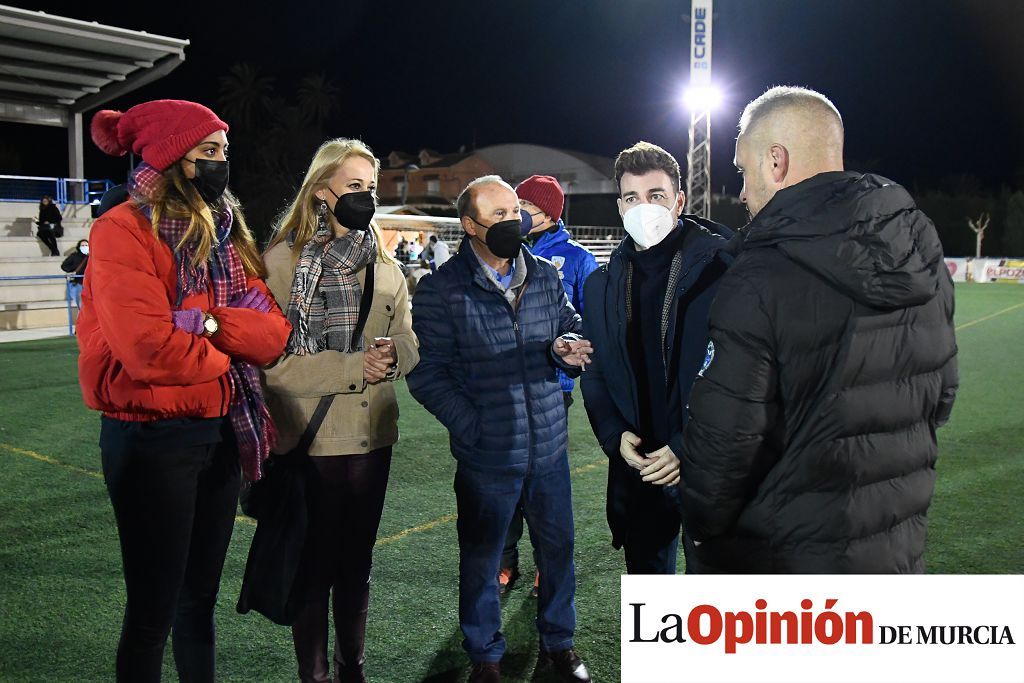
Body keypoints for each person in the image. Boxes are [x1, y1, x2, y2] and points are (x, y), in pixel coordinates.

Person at [679, 86, 958, 573]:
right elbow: (943, 395)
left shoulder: (761, 272)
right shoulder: (921, 249)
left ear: (776, 162)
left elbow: (724, 447)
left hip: (785, 566)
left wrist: (700, 526)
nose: (742, 191)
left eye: (743, 172)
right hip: (893, 549)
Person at [77, 99, 291, 682]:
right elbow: (148, 351)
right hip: (151, 438)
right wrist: (229, 338)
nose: (223, 163)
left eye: (225, 152)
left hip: (220, 431)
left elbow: (272, 333)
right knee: (152, 611)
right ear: (173, 159)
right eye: (209, 152)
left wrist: (205, 321)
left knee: (198, 602)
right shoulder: (121, 229)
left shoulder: (226, 230)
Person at [406, 175, 593, 683]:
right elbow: (427, 374)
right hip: (488, 456)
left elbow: (568, 325)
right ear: (470, 226)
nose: (514, 222)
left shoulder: (546, 276)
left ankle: (559, 642)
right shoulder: (442, 290)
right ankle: (485, 655)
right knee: (483, 558)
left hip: (549, 447)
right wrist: (474, 427)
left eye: (517, 211)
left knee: (558, 551)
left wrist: (568, 349)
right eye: (500, 215)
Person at [261, 138, 419, 683]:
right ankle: (316, 677)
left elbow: (409, 340)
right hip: (310, 439)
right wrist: (355, 366)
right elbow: (271, 366)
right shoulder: (280, 263)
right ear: (321, 191)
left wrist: (394, 354)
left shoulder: (386, 265)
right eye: (354, 186)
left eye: (370, 188)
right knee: (314, 571)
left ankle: (354, 669)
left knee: (357, 568)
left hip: (373, 439)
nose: (365, 198)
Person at [580, 142, 732, 575]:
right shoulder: (601, 284)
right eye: (632, 198)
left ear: (679, 201)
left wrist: (686, 445)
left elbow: (739, 374)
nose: (643, 207)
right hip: (640, 466)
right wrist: (613, 434)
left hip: (708, 465)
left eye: (656, 196)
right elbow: (595, 369)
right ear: (620, 206)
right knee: (650, 595)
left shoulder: (723, 268)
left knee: (721, 605)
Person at [497, 175, 599, 596]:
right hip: (501, 384)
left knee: (542, 483)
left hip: (551, 388)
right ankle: (503, 562)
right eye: (515, 203)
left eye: (527, 206)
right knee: (504, 479)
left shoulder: (577, 260)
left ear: (550, 215)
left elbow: (589, 322)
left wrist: (570, 352)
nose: (517, 213)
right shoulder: (500, 252)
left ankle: (547, 563)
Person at [61, 239, 89, 309]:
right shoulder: (74, 256)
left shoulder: (92, 257)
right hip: (77, 282)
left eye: (86, 245)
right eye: (82, 245)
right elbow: (64, 266)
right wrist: (74, 269)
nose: (84, 247)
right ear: (79, 247)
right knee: (81, 305)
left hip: (89, 283)